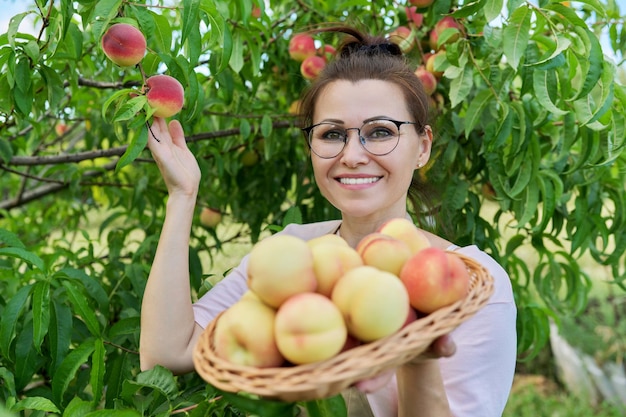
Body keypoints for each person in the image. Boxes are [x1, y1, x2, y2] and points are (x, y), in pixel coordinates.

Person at [140, 25, 517, 417]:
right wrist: (183, 196)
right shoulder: (292, 253)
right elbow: (166, 353)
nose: (353, 154)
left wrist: (417, 350)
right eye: (333, 134)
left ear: (422, 147)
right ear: (311, 147)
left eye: (381, 131)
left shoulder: (468, 285)